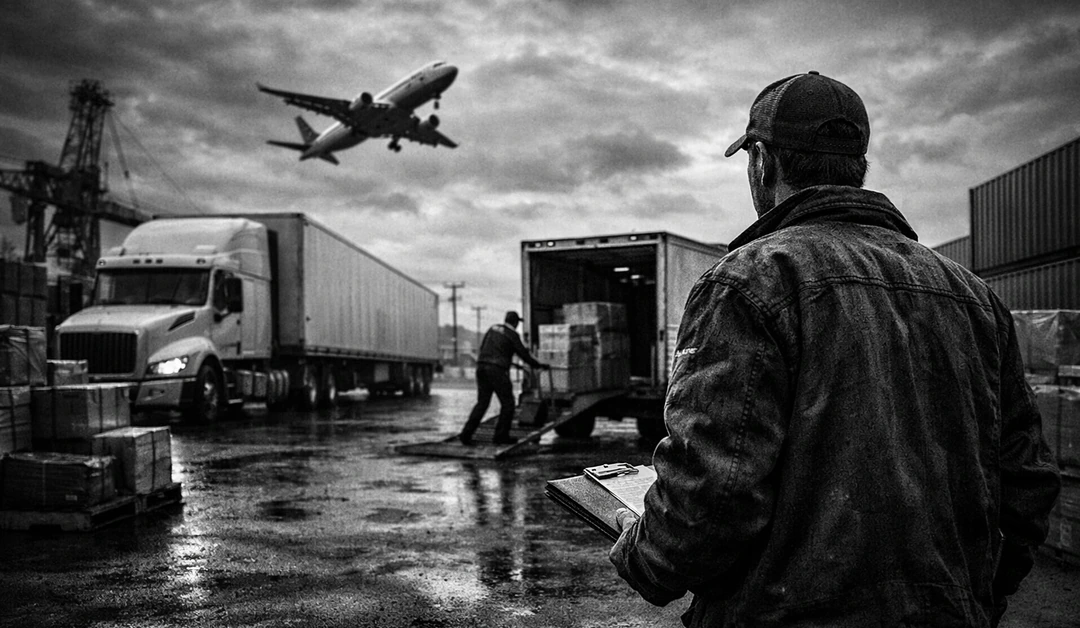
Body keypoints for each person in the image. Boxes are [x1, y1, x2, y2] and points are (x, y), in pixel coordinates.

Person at [608, 71, 1061, 627]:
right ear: (857, 166)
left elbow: (715, 495)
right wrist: (980, 593)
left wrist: (642, 558)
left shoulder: (749, 282)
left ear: (763, 161)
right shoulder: (974, 296)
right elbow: (1028, 480)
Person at [459, 310, 548, 446]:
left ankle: (466, 434)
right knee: (508, 404)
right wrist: (539, 365)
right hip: (497, 371)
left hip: (482, 367)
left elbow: (485, 348)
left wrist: (507, 361)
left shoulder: (493, 329)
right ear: (516, 323)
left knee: (482, 403)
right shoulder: (513, 335)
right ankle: (500, 436)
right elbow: (524, 355)